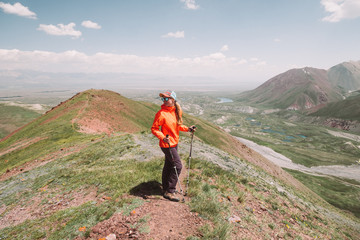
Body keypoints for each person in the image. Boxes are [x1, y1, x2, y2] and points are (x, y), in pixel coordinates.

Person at [151, 90, 196, 202]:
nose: (165, 101)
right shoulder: (161, 113)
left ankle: (165, 188)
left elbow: (178, 126)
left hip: (174, 143)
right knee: (178, 166)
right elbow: (154, 129)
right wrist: (163, 137)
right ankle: (170, 191)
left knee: (169, 165)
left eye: (167, 98)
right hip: (167, 144)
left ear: (173, 100)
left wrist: (188, 129)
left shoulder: (174, 112)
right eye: (163, 99)